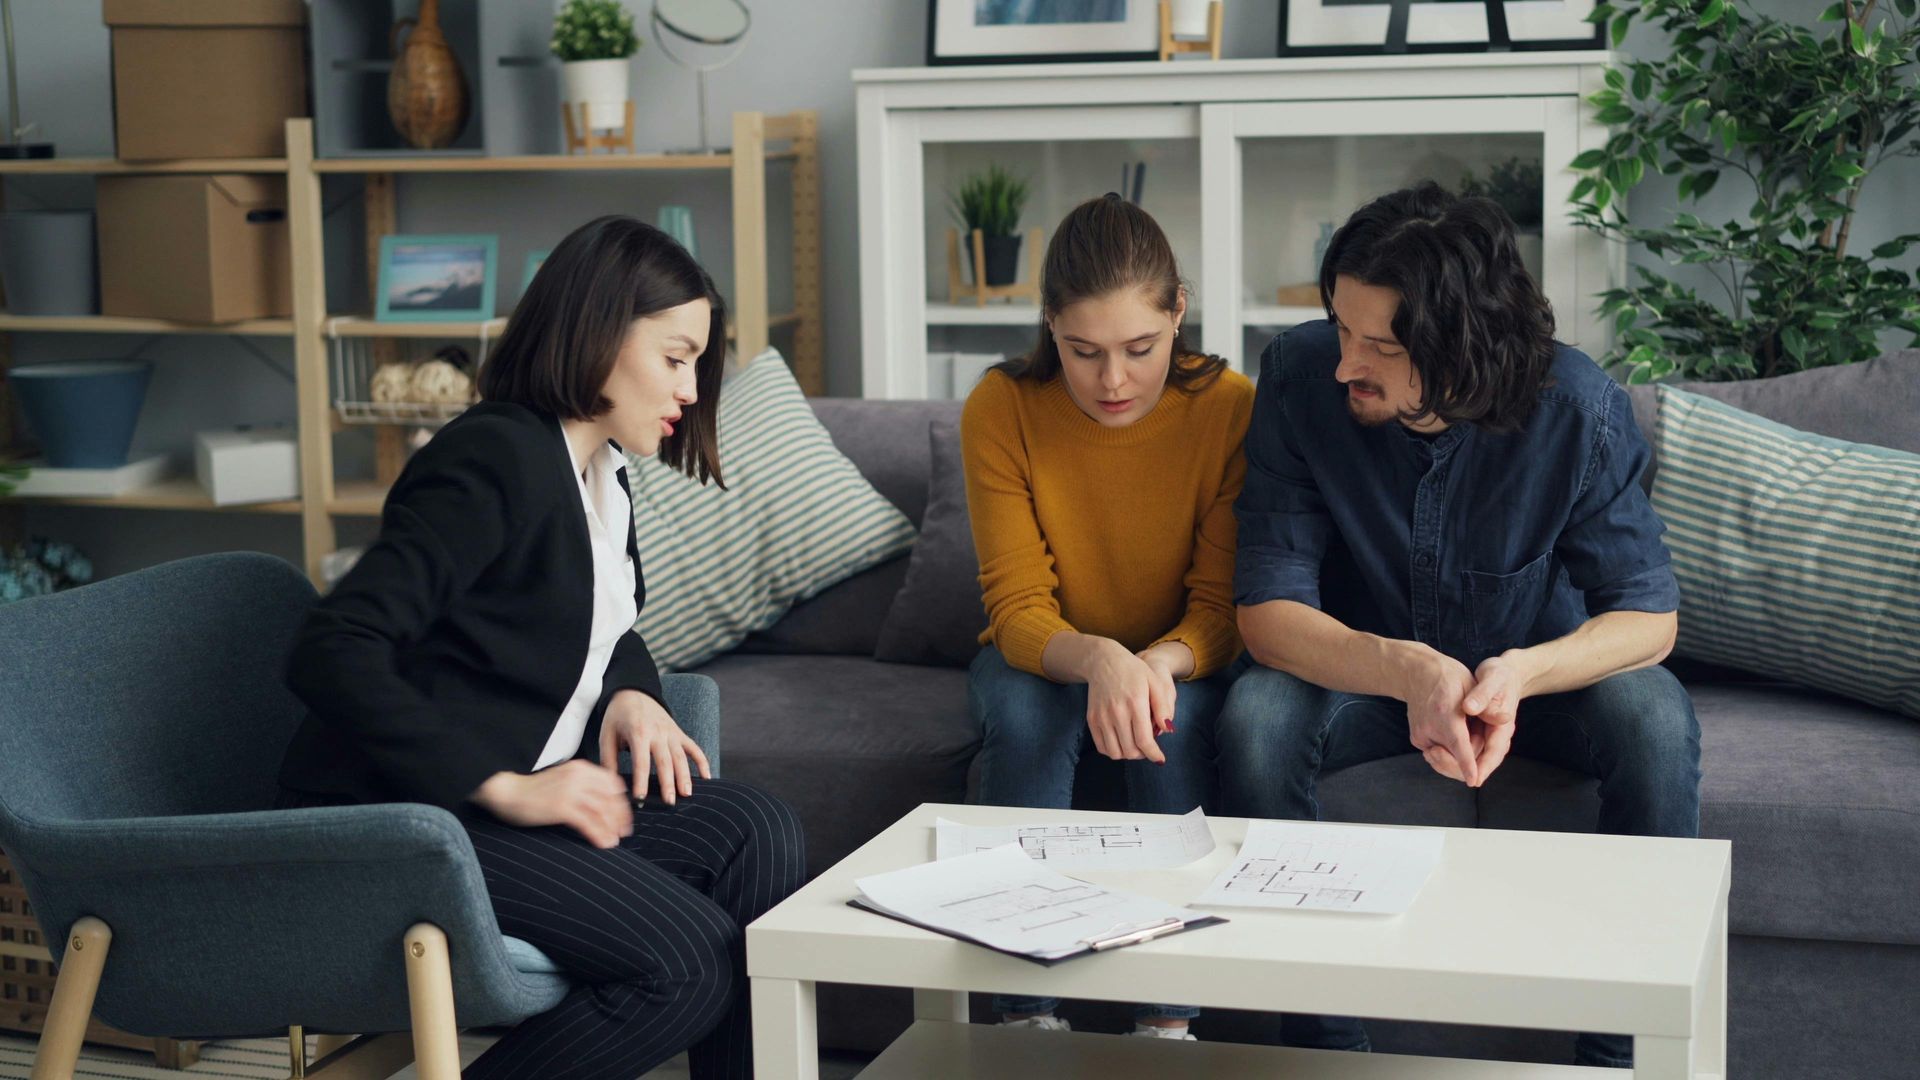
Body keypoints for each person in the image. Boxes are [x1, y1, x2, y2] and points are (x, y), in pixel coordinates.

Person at [275, 215, 804, 1080]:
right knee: (688, 960)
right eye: (675, 358)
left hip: (511, 804)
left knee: (758, 829)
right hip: (408, 815)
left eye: (697, 365)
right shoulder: (492, 459)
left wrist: (632, 692)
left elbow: (593, 618)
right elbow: (334, 648)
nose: (689, 387)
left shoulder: (603, 470)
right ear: (599, 331)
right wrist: (506, 787)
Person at [1220, 182, 1699, 1069]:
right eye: (1341, 327)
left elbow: (1648, 616)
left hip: (1539, 682)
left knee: (1655, 719)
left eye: (1379, 345)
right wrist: (1407, 670)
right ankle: (1330, 1053)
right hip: (1365, 678)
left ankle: (1615, 1058)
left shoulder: (1577, 407)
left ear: (1460, 346)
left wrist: (1520, 674)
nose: (1345, 364)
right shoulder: (1297, 378)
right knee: (1257, 717)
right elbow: (1268, 614)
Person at [963, 193, 1253, 1040]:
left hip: (1179, 656)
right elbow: (1017, 605)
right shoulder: (1002, 407)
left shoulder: (1230, 408)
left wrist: (1153, 664)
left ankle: (1168, 1022)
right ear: (1050, 324)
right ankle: (1025, 1016)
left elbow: (1221, 607)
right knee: (1027, 720)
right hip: (1045, 655)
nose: (1113, 380)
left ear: (1179, 313)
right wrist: (1097, 659)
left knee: (1168, 727)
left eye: (1140, 348)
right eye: (1083, 352)